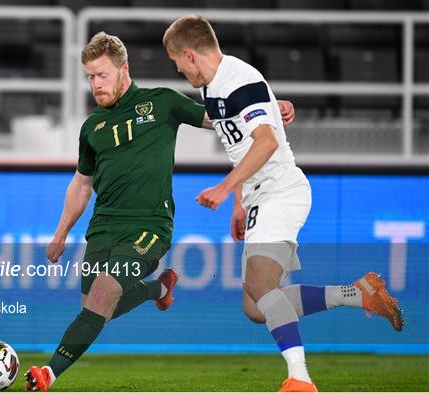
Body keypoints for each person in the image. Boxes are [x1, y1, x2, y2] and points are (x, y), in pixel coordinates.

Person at [24, 30, 297, 392]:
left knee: (104, 294)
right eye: (90, 77)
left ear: (124, 69)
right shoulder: (92, 128)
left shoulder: (161, 103)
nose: (96, 84)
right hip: (103, 227)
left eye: (102, 75)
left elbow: (219, 118)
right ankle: (157, 290)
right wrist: (60, 234)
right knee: (95, 304)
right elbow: (81, 184)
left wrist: (266, 109)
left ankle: (49, 373)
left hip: (148, 227)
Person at [163, 15, 404, 393]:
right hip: (260, 195)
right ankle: (358, 294)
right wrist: (240, 203)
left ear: (189, 54)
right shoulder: (214, 87)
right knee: (257, 307)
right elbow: (242, 142)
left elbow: (267, 143)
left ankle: (300, 379)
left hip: (282, 191)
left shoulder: (238, 80)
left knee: (261, 287)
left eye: (176, 61)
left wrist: (226, 189)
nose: (177, 69)